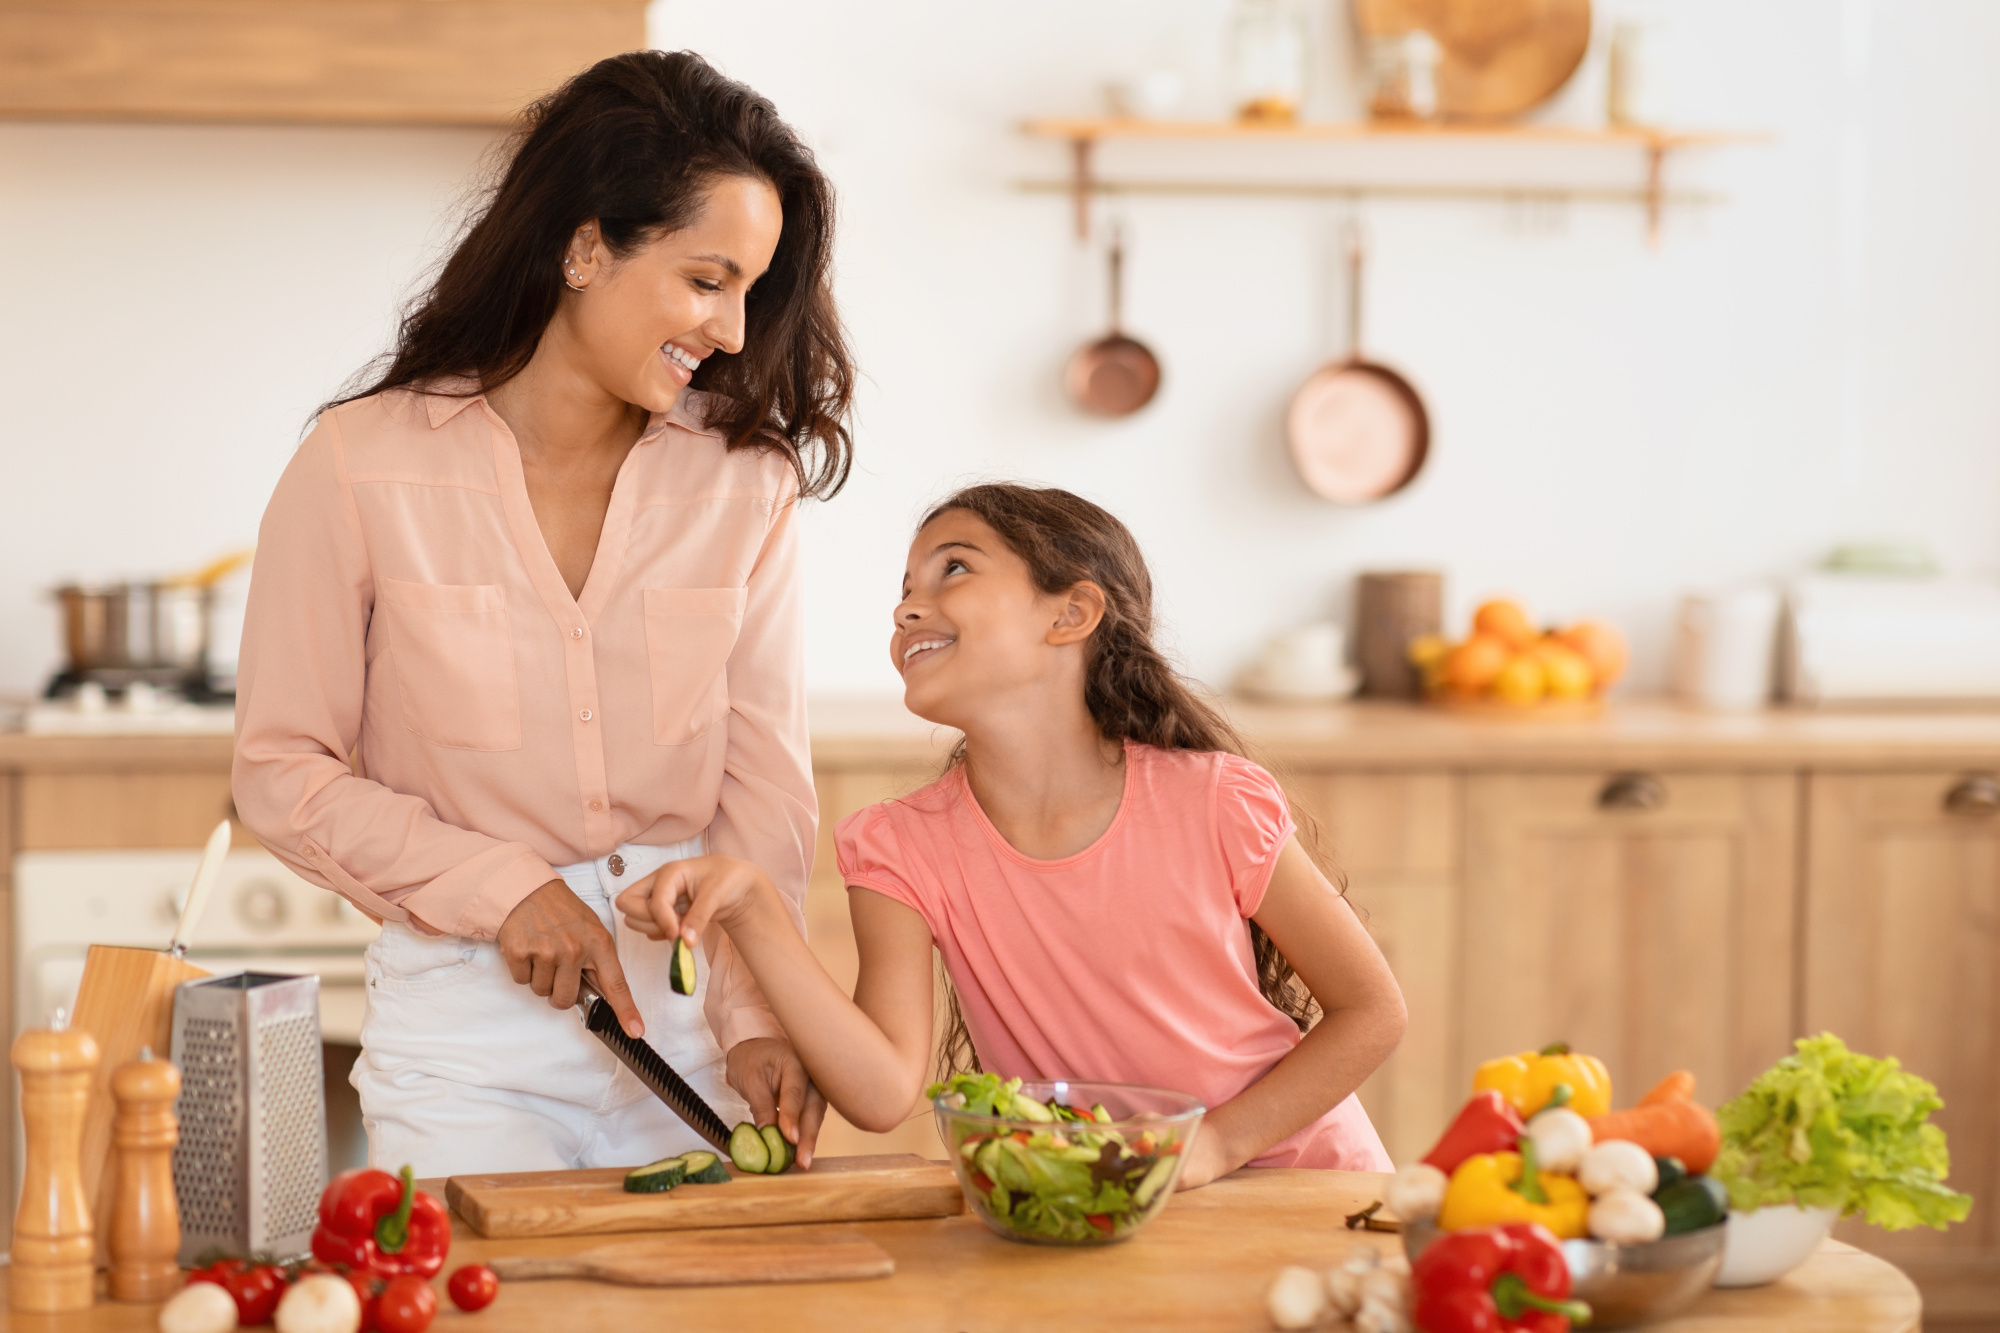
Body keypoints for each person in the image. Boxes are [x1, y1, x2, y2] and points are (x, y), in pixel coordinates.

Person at [231, 50, 852, 1176]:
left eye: (752, 292)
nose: (731, 326)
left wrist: (760, 1018)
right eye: (707, 279)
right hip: (470, 1031)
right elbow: (282, 769)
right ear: (584, 247)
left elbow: (763, 786)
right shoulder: (359, 466)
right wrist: (503, 887)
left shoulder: (742, 483)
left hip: (691, 1021)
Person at [617, 484, 1405, 1185]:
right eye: (905, 587)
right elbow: (883, 1090)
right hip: (1095, 1199)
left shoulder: (1212, 799)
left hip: (1290, 1181)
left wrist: (1217, 1145)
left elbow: (1372, 1009)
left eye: (952, 569)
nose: (906, 607)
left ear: (1072, 614)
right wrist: (752, 908)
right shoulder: (897, 848)